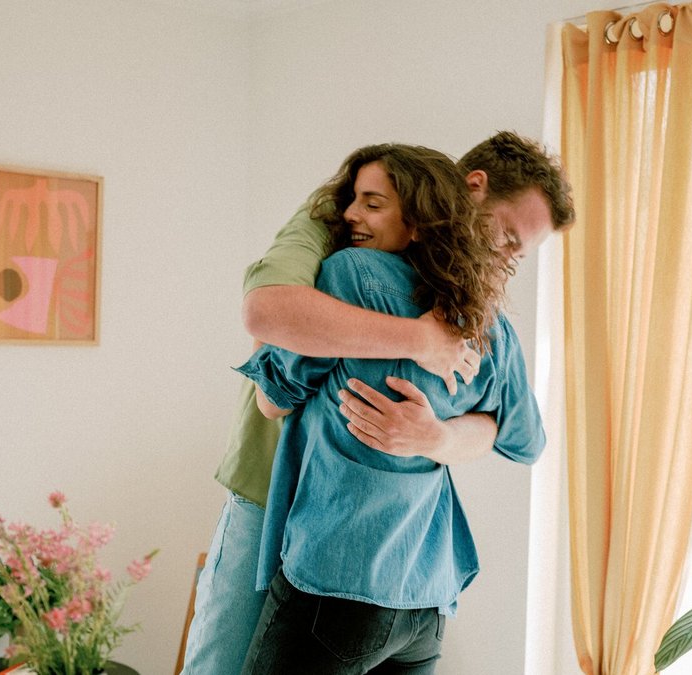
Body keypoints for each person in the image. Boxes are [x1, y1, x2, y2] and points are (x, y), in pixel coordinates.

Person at [179, 131, 574, 674]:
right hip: (407, 580)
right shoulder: (342, 229)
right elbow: (523, 438)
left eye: (518, 253)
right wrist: (420, 342)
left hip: (334, 566)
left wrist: (437, 436)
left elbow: (273, 396)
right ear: (472, 187)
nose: (506, 259)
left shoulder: (359, 276)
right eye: (507, 236)